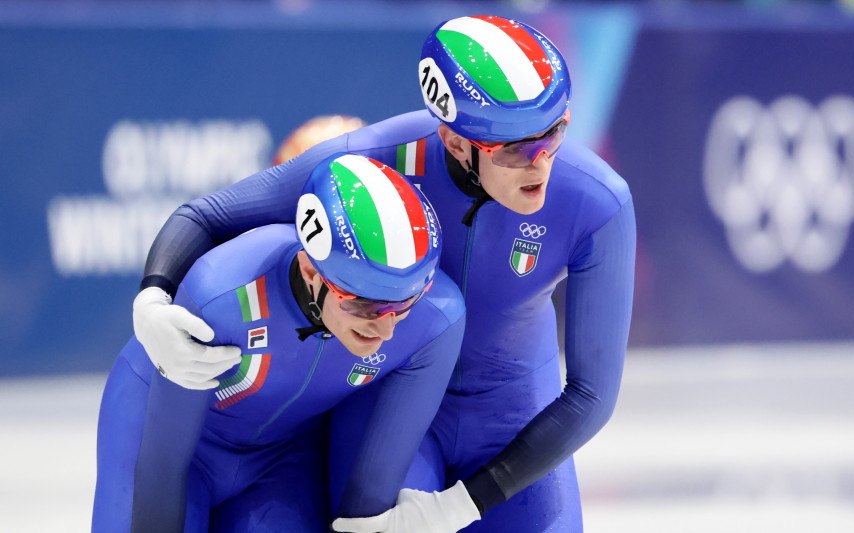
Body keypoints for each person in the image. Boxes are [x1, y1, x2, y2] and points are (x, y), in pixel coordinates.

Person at [132, 14, 636, 532]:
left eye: (554, 133)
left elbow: (592, 395)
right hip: (394, 407)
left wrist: (465, 504)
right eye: (516, 148)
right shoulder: (375, 160)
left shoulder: (599, 200)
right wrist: (152, 301)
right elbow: (206, 217)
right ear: (456, 142)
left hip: (514, 410)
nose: (542, 163)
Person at [92, 154, 465, 531]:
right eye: (364, 305)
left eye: (402, 305)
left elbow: (366, 512)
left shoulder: (436, 318)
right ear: (310, 272)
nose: (385, 331)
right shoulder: (220, 297)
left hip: (281, 456)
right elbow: (164, 464)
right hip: (161, 433)